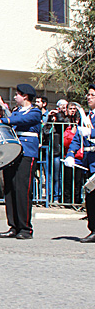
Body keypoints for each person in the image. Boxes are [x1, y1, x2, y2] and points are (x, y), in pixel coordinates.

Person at [0, 84, 42, 239]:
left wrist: (0, 120)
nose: (15, 96)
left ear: (25, 96)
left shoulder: (34, 111)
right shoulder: (17, 111)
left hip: (26, 152)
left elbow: (22, 120)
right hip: (12, 152)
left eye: (17, 94)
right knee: (10, 189)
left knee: (22, 189)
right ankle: (13, 225)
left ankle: (25, 228)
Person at [65, 84, 95, 242]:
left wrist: (92, 132)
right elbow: (77, 138)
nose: (89, 97)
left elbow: (88, 133)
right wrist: (70, 154)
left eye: (92, 95)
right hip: (88, 161)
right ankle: (93, 229)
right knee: (91, 198)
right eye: (88, 95)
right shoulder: (87, 117)